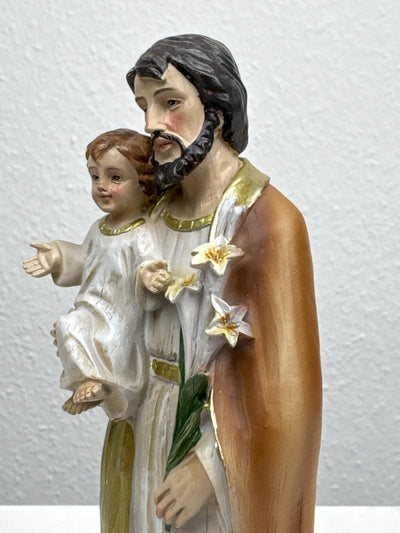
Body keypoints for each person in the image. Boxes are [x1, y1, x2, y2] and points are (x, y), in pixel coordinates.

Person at [100, 35, 322, 533]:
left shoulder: (269, 222)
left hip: (216, 450)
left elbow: (288, 393)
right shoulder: (152, 211)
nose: (152, 123)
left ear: (217, 110)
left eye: (170, 102)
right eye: (143, 106)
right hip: (148, 424)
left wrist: (213, 465)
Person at [23, 129, 168, 419]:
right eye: (95, 176)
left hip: (121, 319)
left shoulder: (143, 232)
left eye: (115, 177)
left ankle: (106, 386)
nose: (102, 186)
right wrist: (57, 258)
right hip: (90, 311)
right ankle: (91, 382)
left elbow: (150, 264)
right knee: (68, 325)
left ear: (144, 184)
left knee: (114, 344)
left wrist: (149, 278)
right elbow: (84, 260)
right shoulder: (98, 229)